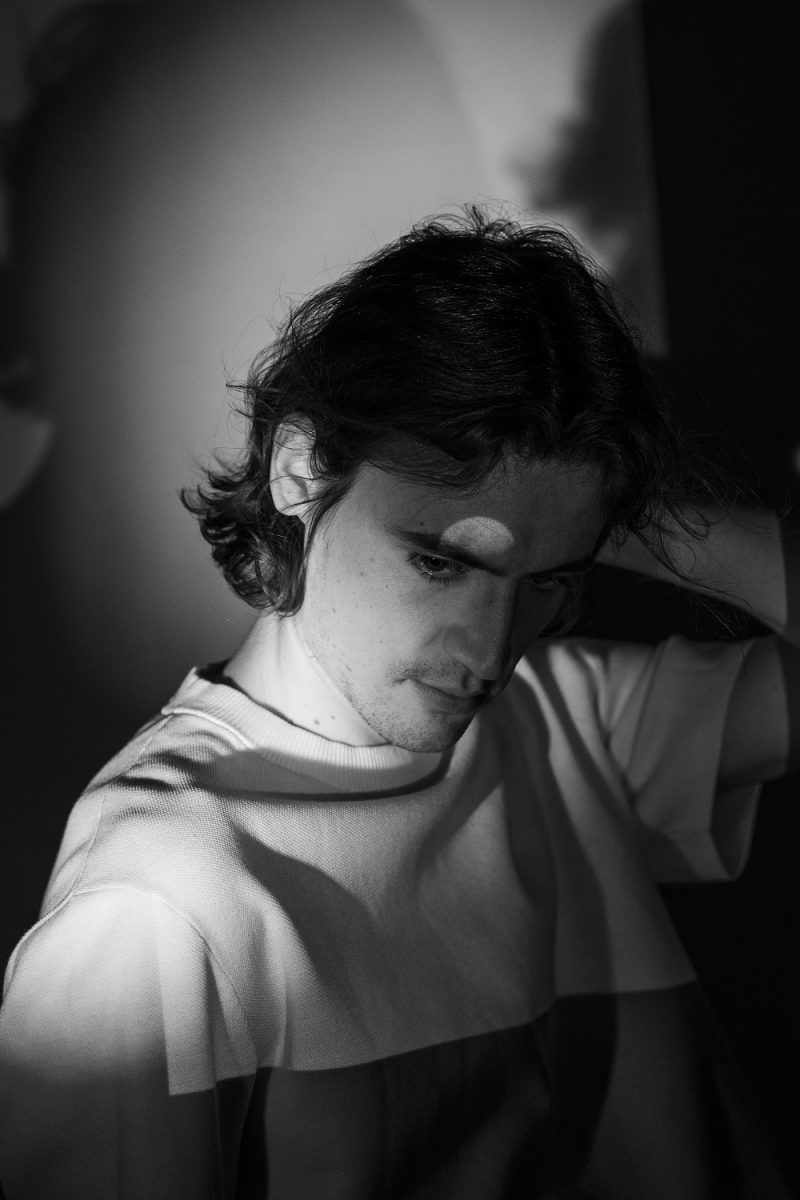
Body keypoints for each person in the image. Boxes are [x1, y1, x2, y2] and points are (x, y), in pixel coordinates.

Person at [0, 208, 796, 1198]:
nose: (489, 649)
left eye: (550, 579)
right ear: (299, 470)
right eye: (440, 562)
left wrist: (610, 513)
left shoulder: (557, 721)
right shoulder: (156, 901)